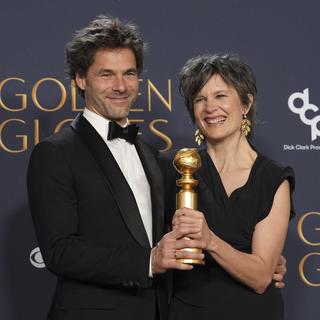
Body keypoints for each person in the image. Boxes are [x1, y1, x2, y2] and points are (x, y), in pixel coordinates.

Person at [26, 15, 203, 320]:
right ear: (81, 79)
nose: (120, 86)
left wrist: (259, 261)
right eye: (106, 74)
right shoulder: (55, 153)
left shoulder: (150, 155)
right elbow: (59, 251)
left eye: (129, 73)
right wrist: (147, 261)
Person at [160, 53, 295, 320]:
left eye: (221, 96)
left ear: (246, 103)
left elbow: (260, 277)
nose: (211, 107)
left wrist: (210, 241)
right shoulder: (174, 170)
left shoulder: (272, 179)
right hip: (187, 312)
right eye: (200, 99)